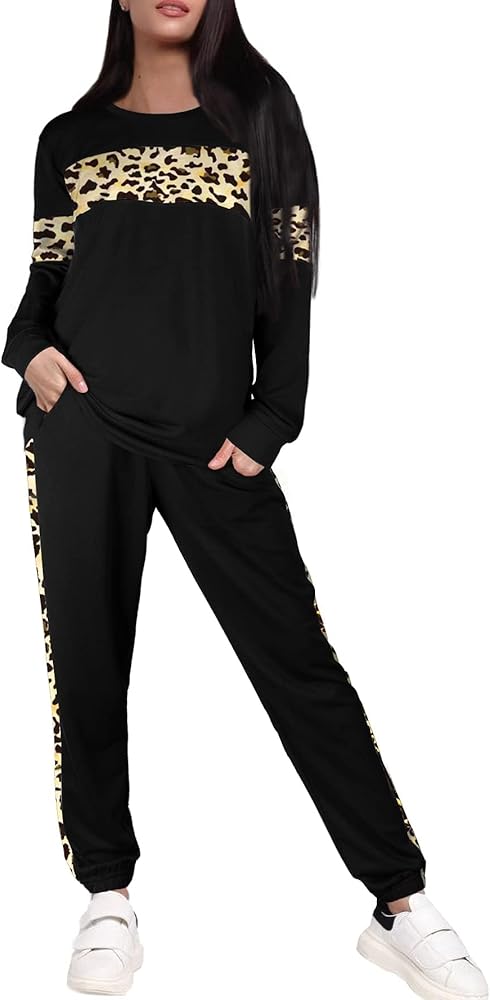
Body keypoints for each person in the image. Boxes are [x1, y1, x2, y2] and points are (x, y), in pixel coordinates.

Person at [2, 1, 487, 997]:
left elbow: (292, 274)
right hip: (83, 429)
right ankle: (106, 895)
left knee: (297, 665)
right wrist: (27, 352)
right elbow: (45, 282)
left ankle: (399, 901)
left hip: (214, 442)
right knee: (85, 660)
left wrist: (273, 419)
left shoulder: (260, 113)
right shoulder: (68, 137)